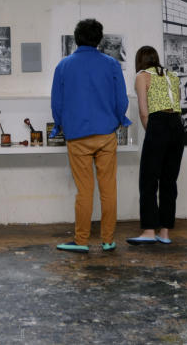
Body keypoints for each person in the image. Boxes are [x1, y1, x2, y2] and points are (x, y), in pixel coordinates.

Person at [51, 18, 131, 254]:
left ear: (77, 38)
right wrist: (118, 119)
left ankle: (81, 240)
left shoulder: (63, 66)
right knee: (108, 189)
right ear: (99, 39)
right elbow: (121, 101)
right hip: (106, 134)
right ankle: (107, 240)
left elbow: (57, 103)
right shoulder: (111, 64)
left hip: (77, 136)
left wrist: (60, 125)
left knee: (84, 191)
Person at [128, 46, 185, 246]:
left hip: (158, 124)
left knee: (149, 180)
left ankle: (149, 231)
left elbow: (144, 111)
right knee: (169, 181)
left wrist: (151, 131)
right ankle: (165, 232)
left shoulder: (142, 76)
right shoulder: (173, 75)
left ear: (140, 60)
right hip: (177, 125)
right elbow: (177, 102)